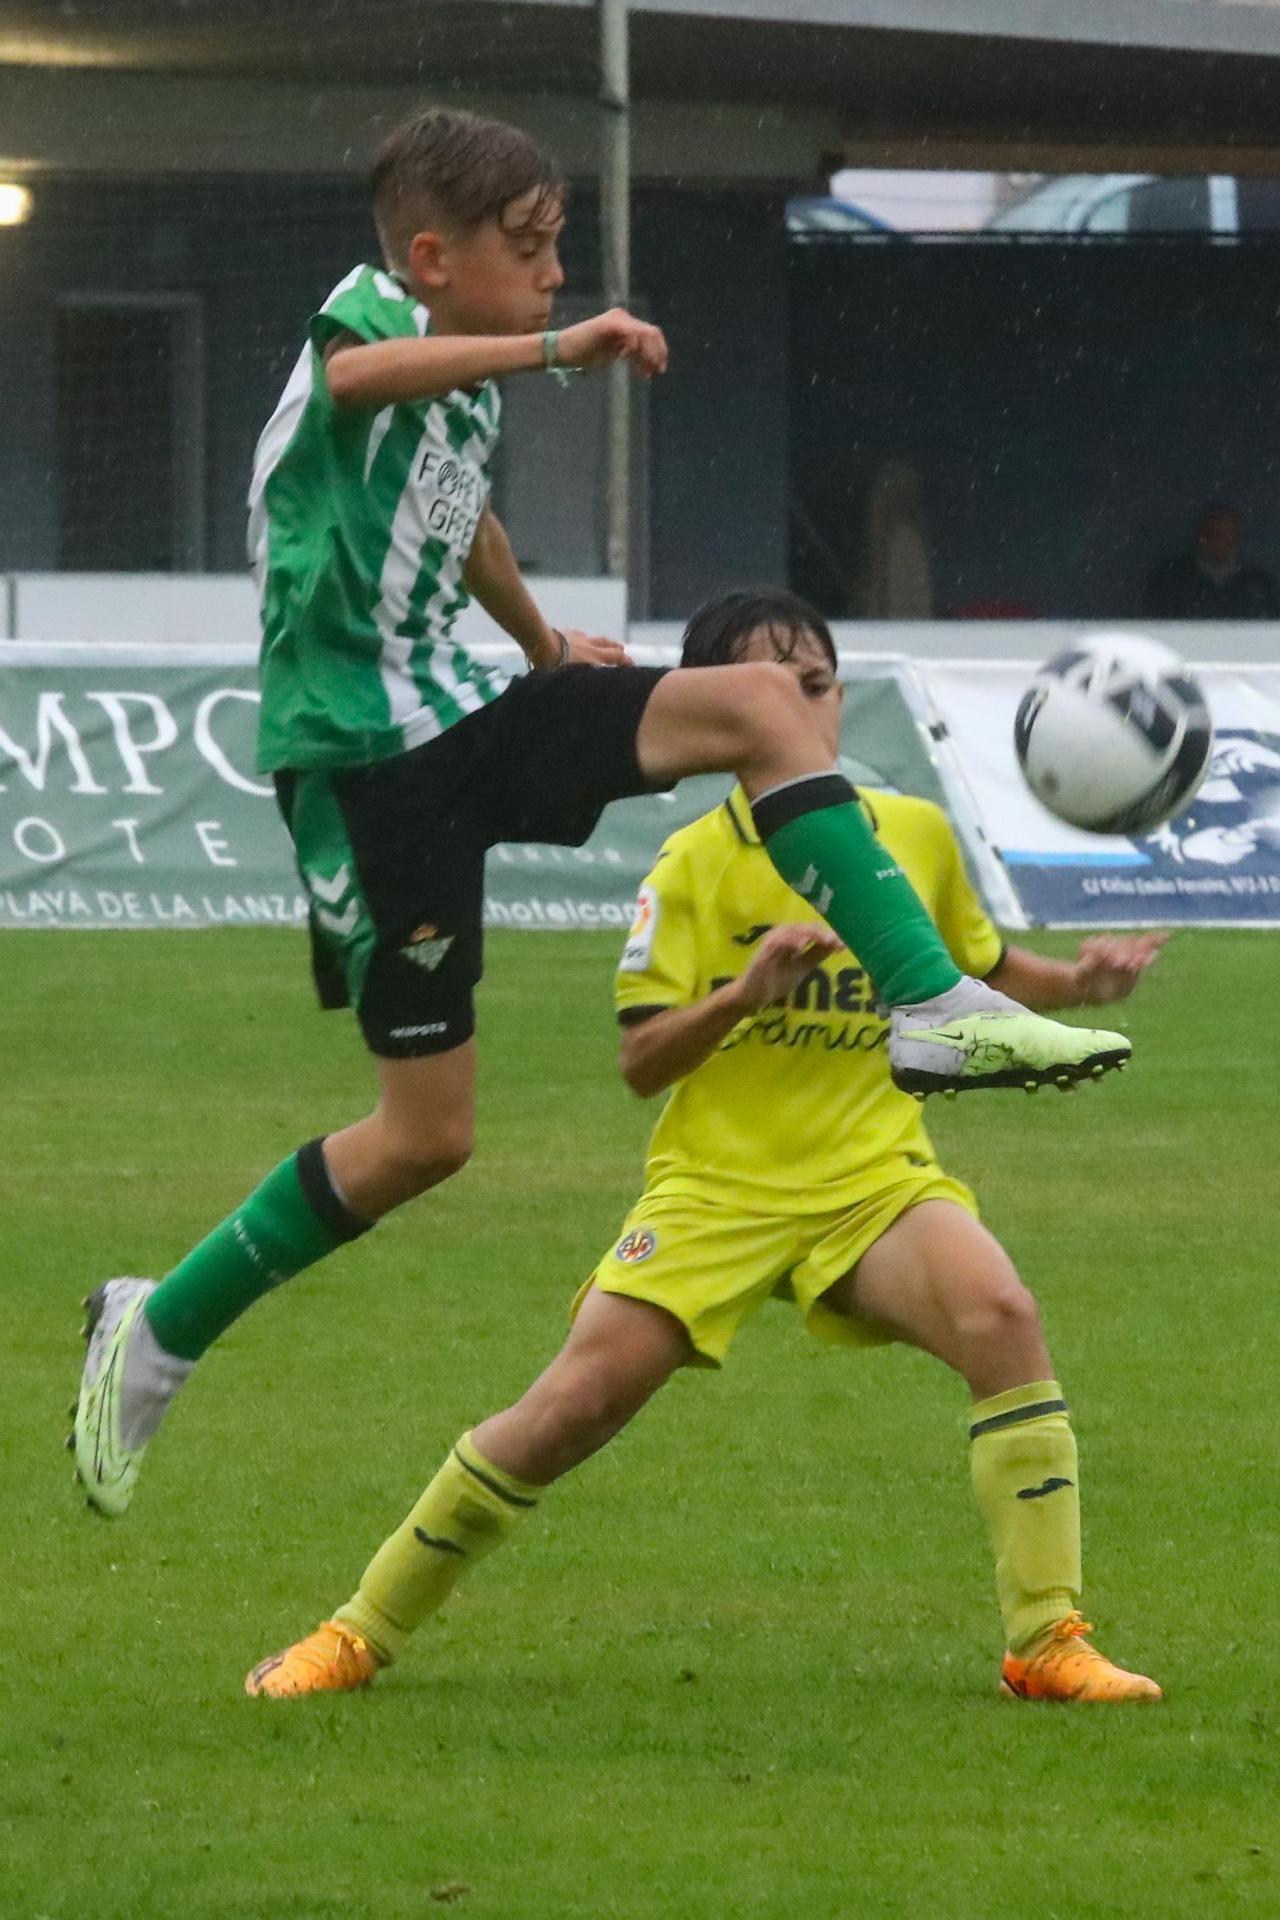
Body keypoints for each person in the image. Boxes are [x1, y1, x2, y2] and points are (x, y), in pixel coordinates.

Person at [71, 110, 1129, 1522]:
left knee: (757, 706)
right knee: (423, 1138)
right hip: (365, 762)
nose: (556, 276)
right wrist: (556, 351)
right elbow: (360, 382)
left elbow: (462, 521)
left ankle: (929, 1000)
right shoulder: (371, 317)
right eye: (530, 250)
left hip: (462, 711)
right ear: (434, 258)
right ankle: (161, 1324)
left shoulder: (468, 381)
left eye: (561, 252)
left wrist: (543, 649)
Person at [245, 589, 1163, 1707]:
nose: (802, 706)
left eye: (815, 684)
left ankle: (1046, 1640)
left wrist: (1079, 981)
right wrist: (744, 992)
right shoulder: (687, 864)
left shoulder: (908, 834)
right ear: (719, 711)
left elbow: (979, 962)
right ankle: (353, 1634)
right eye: (774, 688)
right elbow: (640, 1063)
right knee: (566, 1409)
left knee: (1002, 1316)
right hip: (715, 1192)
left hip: (871, 1184)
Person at [1146, 504, 1280, 620]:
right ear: (1201, 535)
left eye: (1227, 534)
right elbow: (1152, 628)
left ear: (1236, 538)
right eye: (1215, 533)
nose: (1220, 541)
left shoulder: (1258, 583)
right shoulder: (1171, 579)